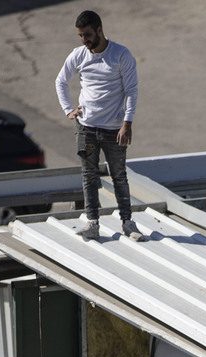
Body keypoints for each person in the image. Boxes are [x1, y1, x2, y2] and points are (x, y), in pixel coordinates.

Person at [55, 9, 145, 243]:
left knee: (119, 176)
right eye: (80, 36)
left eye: (87, 34)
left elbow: (131, 90)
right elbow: (61, 81)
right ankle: (92, 223)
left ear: (99, 30)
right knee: (89, 176)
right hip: (86, 127)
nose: (84, 40)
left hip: (114, 128)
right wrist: (68, 109)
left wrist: (127, 123)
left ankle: (127, 222)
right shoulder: (78, 55)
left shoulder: (121, 55)